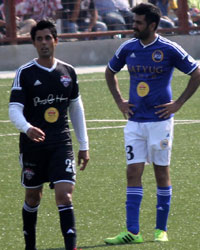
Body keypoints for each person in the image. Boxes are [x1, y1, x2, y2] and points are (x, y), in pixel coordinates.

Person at [104, 2, 200, 245]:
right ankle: (133, 232)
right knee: (132, 172)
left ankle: (161, 229)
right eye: (133, 21)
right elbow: (109, 71)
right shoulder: (128, 48)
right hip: (135, 121)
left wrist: (178, 103)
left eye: (138, 22)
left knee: (161, 172)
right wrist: (120, 102)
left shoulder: (168, 49)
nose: (133, 26)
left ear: (152, 24)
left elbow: (196, 73)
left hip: (160, 122)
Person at [9, 20, 89, 250]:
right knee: (33, 197)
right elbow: (14, 108)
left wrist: (84, 144)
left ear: (56, 40)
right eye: (39, 39)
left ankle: (71, 247)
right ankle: (30, 246)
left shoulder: (68, 72)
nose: (44, 43)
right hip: (33, 145)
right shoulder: (24, 73)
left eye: (48, 38)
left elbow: (76, 107)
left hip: (60, 142)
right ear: (33, 43)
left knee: (65, 195)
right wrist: (27, 128)